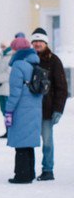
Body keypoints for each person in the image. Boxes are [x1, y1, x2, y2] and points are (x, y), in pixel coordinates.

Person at [30, 27, 68, 181]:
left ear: (45, 43)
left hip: (47, 109)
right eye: (35, 41)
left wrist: (58, 109)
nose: (38, 44)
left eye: (40, 41)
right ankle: (27, 169)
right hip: (31, 109)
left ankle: (47, 169)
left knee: (47, 141)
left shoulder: (54, 60)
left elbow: (61, 87)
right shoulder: (29, 59)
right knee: (29, 141)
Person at [4, 37, 43, 184]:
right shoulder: (34, 63)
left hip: (22, 109)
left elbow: (15, 92)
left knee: (20, 144)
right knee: (28, 144)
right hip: (34, 108)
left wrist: (9, 110)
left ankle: (21, 175)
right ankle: (30, 172)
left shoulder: (18, 66)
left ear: (17, 50)